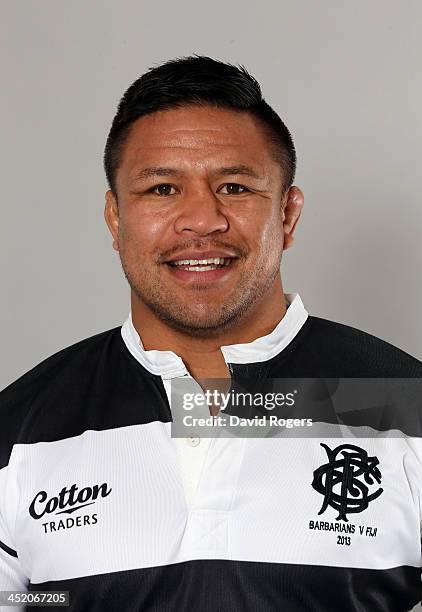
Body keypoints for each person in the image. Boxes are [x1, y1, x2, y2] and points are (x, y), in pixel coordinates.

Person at [0, 55, 421, 612]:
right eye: (162, 190)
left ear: (288, 215)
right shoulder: (19, 433)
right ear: (114, 218)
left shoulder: (409, 409)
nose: (202, 220)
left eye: (235, 187)